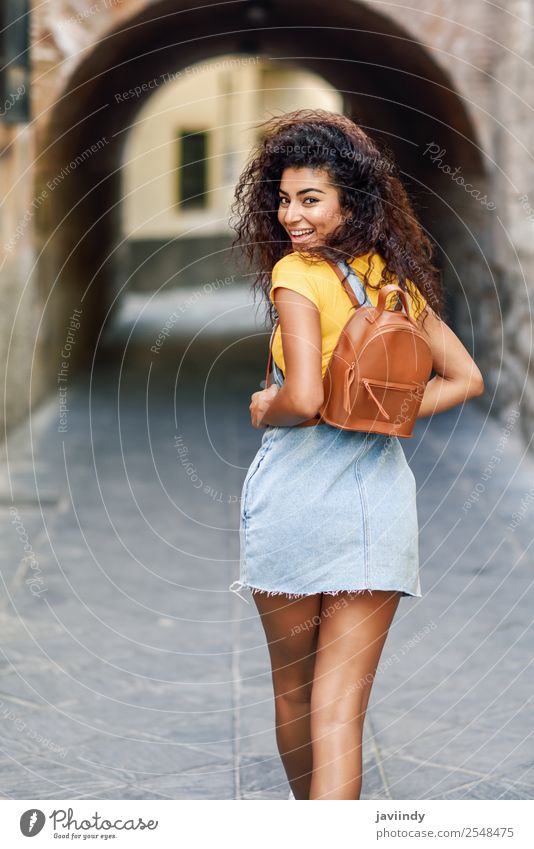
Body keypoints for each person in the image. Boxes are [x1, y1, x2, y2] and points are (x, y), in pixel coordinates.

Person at [228, 109, 484, 800]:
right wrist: (381, 413)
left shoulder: (294, 274)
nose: (291, 215)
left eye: (310, 199)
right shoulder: (394, 280)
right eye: (283, 199)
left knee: (293, 692)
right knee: (342, 712)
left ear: (350, 200)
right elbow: (466, 379)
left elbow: (303, 397)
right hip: (376, 509)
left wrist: (263, 404)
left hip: (297, 503)